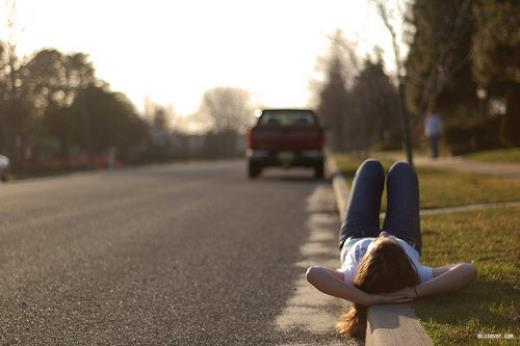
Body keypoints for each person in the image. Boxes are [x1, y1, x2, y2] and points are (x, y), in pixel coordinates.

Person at [306, 159, 476, 338]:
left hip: (356, 232)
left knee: (370, 167)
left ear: (365, 262)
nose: (384, 233)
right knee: (402, 170)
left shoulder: (352, 274)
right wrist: (415, 292)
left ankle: (384, 240)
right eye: (389, 240)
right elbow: (467, 270)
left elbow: (313, 274)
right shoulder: (415, 272)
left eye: (379, 241)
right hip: (405, 235)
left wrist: (366, 298)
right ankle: (394, 239)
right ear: (404, 257)